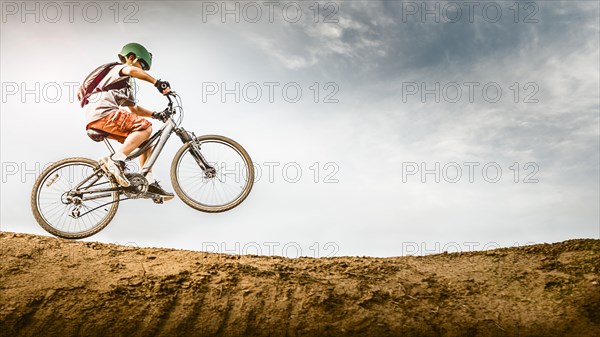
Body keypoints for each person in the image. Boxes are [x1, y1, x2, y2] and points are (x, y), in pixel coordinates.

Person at [83, 42, 174, 202]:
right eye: (142, 65)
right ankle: (115, 160)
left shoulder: (125, 86)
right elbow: (131, 69)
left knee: (145, 140)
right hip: (104, 112)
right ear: (131, 57)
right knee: (145, 127)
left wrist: (156, 114)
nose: (141, 71)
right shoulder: (119, 69)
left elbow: (135, 110)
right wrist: (157, 83)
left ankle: (148, 181)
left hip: (99, 117)